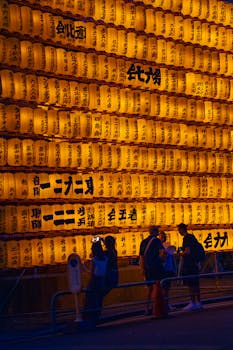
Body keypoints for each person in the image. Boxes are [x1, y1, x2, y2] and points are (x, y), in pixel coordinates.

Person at [139, 226, 165, 315]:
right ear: (155, 232)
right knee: (156, 287)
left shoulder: (143, 242)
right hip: (156, 267)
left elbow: (141, 257)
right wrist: (161, 260)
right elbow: (162, 252)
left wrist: (142, 268)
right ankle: (155, 307)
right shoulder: (157, 241)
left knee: (149, 288)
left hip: (147, 268)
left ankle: (146, 308)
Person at [82, 240, 108, 328]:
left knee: (90, 299)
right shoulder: (105, 258)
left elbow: (91, 273)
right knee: (99, 299)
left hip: (94, 281)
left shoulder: (94, 260)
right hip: (102, 280)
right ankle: (97, 316)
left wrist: (84, 267)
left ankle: (89, 318)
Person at [177, 223, 203, 311]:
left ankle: (192, 302)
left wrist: (180, 254)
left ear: (181, 230)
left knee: (190, 284)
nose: (178, 232)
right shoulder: (192, 237)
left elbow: (187, 252)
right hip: (195, 263)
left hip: (189, 264)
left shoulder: (186, 238)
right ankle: (199, 302)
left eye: (179, 230)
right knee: (196, 283)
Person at [159, 231, 177, 310]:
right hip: (163, 270)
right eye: (161, 236)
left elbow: (172, 258)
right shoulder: (158, 247)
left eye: (164, 236)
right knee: (163, 288)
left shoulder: (168, 246)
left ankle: (166, 304)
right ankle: (163, 305)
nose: (163, 238)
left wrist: (174, 268)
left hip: (169, 269)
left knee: (167, 289)